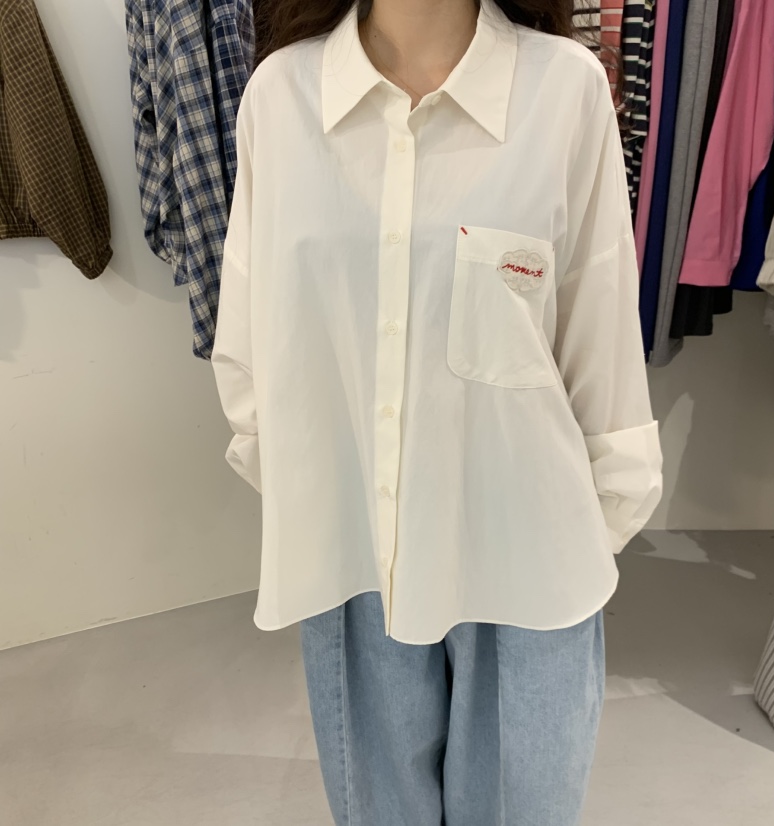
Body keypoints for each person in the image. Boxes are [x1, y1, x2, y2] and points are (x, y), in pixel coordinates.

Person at [211, 1, 663, 823]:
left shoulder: (563, 90)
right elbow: (248, 346)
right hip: (352, 558)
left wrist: (586, 531)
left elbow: (599, 334)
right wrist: (326, 501)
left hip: (526, 556)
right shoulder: (281, 99)